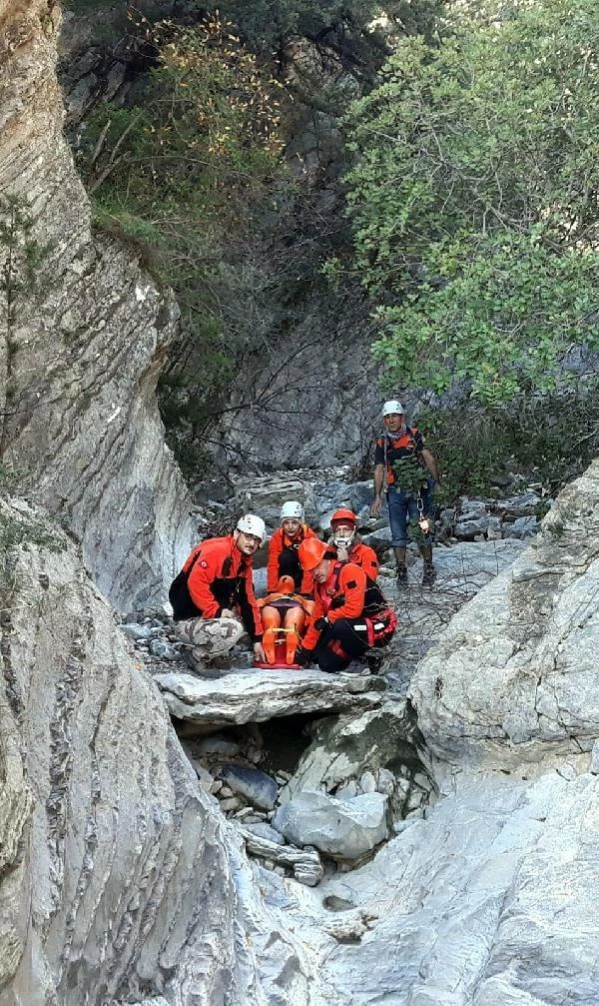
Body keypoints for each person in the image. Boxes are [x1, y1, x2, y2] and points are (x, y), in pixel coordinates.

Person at [169, 514, 266, 677]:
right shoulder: (217, 551)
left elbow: (248, 601)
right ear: (237, 534)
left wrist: (257, 639)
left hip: (206, 617)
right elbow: (196, 582)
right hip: (188, 618)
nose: (252, 543)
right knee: (233, 629)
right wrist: (217, 611)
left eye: (256, 539)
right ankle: (197, 657)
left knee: (247, 627)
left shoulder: (243, 564)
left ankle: (215, 652)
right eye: (248, 537)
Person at [297, 538, 396, 675]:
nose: (315, 573)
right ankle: (352, 655)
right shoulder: (319, 587)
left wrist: (327, 619)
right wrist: (306, 650)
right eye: (311, 570)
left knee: (339, 625)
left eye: (317, 566)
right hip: (354, 625)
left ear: (327, 558)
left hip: (379, 624)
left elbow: (353, 610)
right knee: (325, 664)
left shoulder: (349, 571)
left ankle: (371, 656)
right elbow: (316, 618)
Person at [370, 400, 440, 588]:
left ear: (402, 417)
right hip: (395, 493)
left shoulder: (414, 435)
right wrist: (377, 496)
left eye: (394, 416)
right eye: (387, 417)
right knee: (397, 534)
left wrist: (437, 483)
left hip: (418, 491)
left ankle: (428, 567)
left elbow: (427, 457)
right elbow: (379, 468)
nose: (391, 420)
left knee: (422, 529)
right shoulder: (383, 442)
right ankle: (401, 571)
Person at [257, 575, 314, 667]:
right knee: (292, 625)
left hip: (272, 604)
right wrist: (308, 621)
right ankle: (292, 636)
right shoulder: (299, 597)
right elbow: (311, 608)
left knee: (271, 624)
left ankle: (270, 633)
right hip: (295, 605)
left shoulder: (271, 596)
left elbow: (257, 605)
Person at [267, 501, 318, 594]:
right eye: (286, 523)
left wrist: (306, 592)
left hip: (305, 571)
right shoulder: (277, 537)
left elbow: (310, 566)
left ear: (300, 523)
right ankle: (285, 588)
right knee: (285, 557)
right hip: (287, 573)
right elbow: (273, 564)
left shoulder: (309, 537)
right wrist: (272, 590)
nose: (290, 527)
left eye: (294, 523)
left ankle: (306, 589)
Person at [329, 508, 379, 580]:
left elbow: (370, 581)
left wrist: (347, 563)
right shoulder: (327, 552)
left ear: (354, 531)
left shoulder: (366, 553)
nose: (341, 534)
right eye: (338, 530)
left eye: (346, 529)